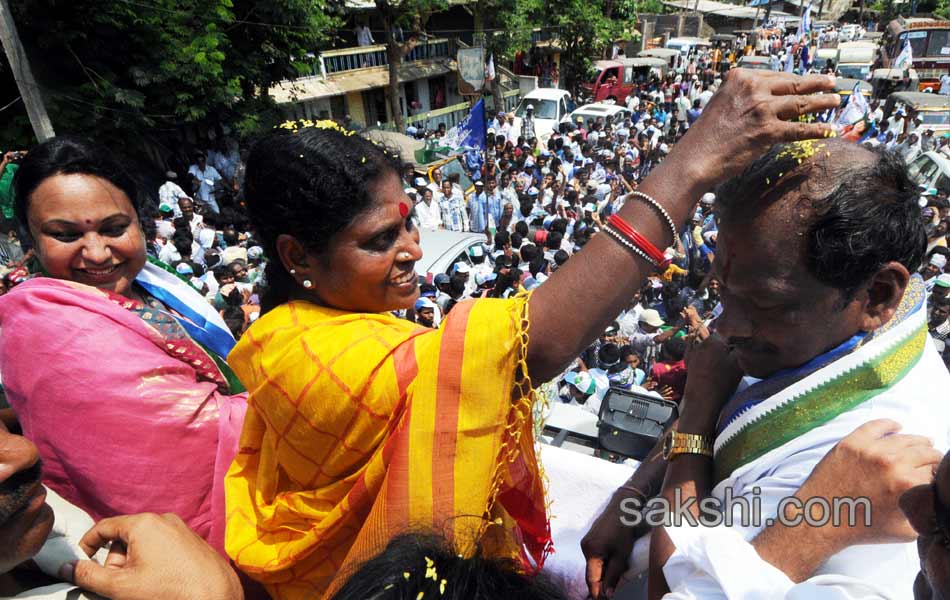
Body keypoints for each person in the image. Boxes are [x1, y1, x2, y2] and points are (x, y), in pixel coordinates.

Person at [224, 71, 842, 599]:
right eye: (380, 240)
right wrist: (692, 164)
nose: (413, 250)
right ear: (297, 256)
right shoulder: (311, 356)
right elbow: (534, 343)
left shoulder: (312, 328)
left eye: (409, 224)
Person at [590, 140, 950, 599]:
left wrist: (698, 408)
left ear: (878, 294)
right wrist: (632, 495)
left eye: (766, 303)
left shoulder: (869, 461)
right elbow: (728, 413)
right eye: (722, 289)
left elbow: (673, 586)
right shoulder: (820, 338)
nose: (726, 327)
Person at [0, 136, 247, 552]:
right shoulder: (45, 329)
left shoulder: (157, 283)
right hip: (174, 549)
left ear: (140, 220)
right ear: (32, 241)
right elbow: (181, 448)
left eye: (115, 229)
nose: (97, 254)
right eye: (64, 234)